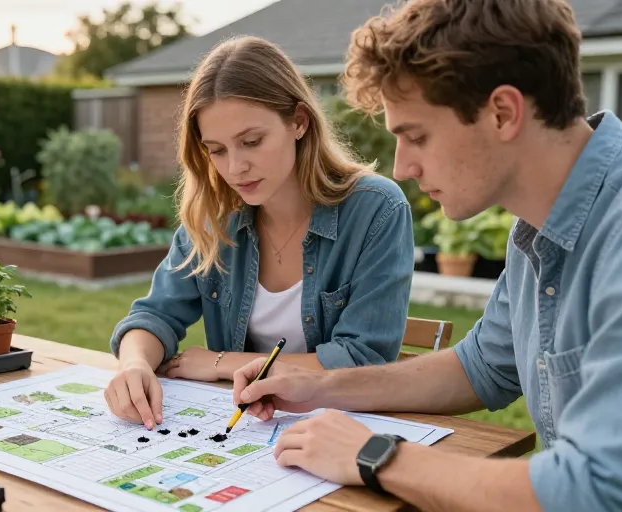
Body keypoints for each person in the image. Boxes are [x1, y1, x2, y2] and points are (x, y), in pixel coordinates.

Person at [230, 0, 622, 510]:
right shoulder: (537, 225)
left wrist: (379, 456)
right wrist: (321, 387)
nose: (402, 167)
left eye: (416, 136)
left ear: (502, 113)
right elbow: (481, 367)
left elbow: (602, 487)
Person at [105, 35, 416, 429]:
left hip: (340, 429)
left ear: (298, 122)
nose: (235, 168)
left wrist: (221, 363)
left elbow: (362, 360)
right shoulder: (214, 215)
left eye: (251, 142)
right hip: (247, 433)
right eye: (217, 150)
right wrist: (134, 364)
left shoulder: (376, 210)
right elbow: (154, 315)